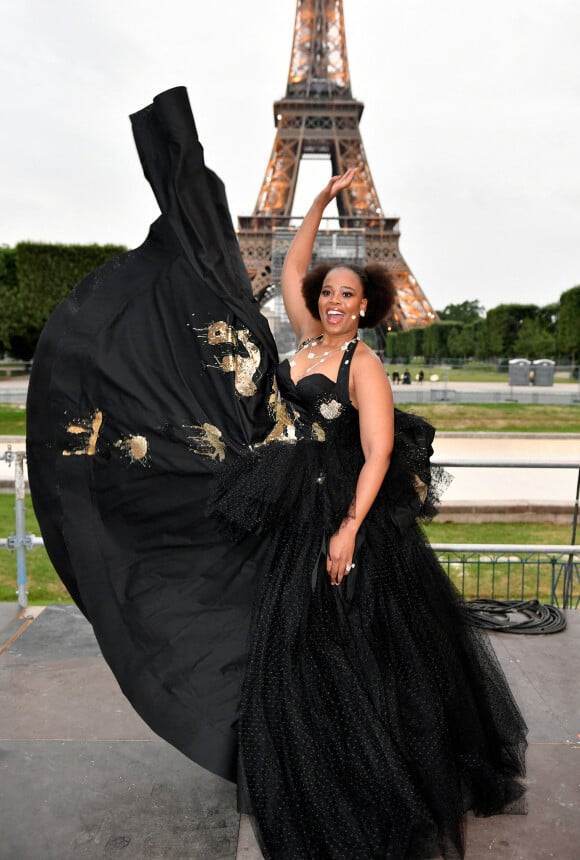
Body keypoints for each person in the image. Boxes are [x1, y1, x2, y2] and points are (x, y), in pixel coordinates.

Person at [27, 88, 527, 860]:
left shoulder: (364, 367)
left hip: (346, 507)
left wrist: (352, 529)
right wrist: (320, 202)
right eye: (326, 293)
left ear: (365, 307)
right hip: (294, 493)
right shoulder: (305, 343)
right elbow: (292, 263)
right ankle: (294, 755)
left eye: (345, 295)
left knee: (362, 640)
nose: (331, 301)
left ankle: (378, 765)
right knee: (295, 638)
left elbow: (382, 452)